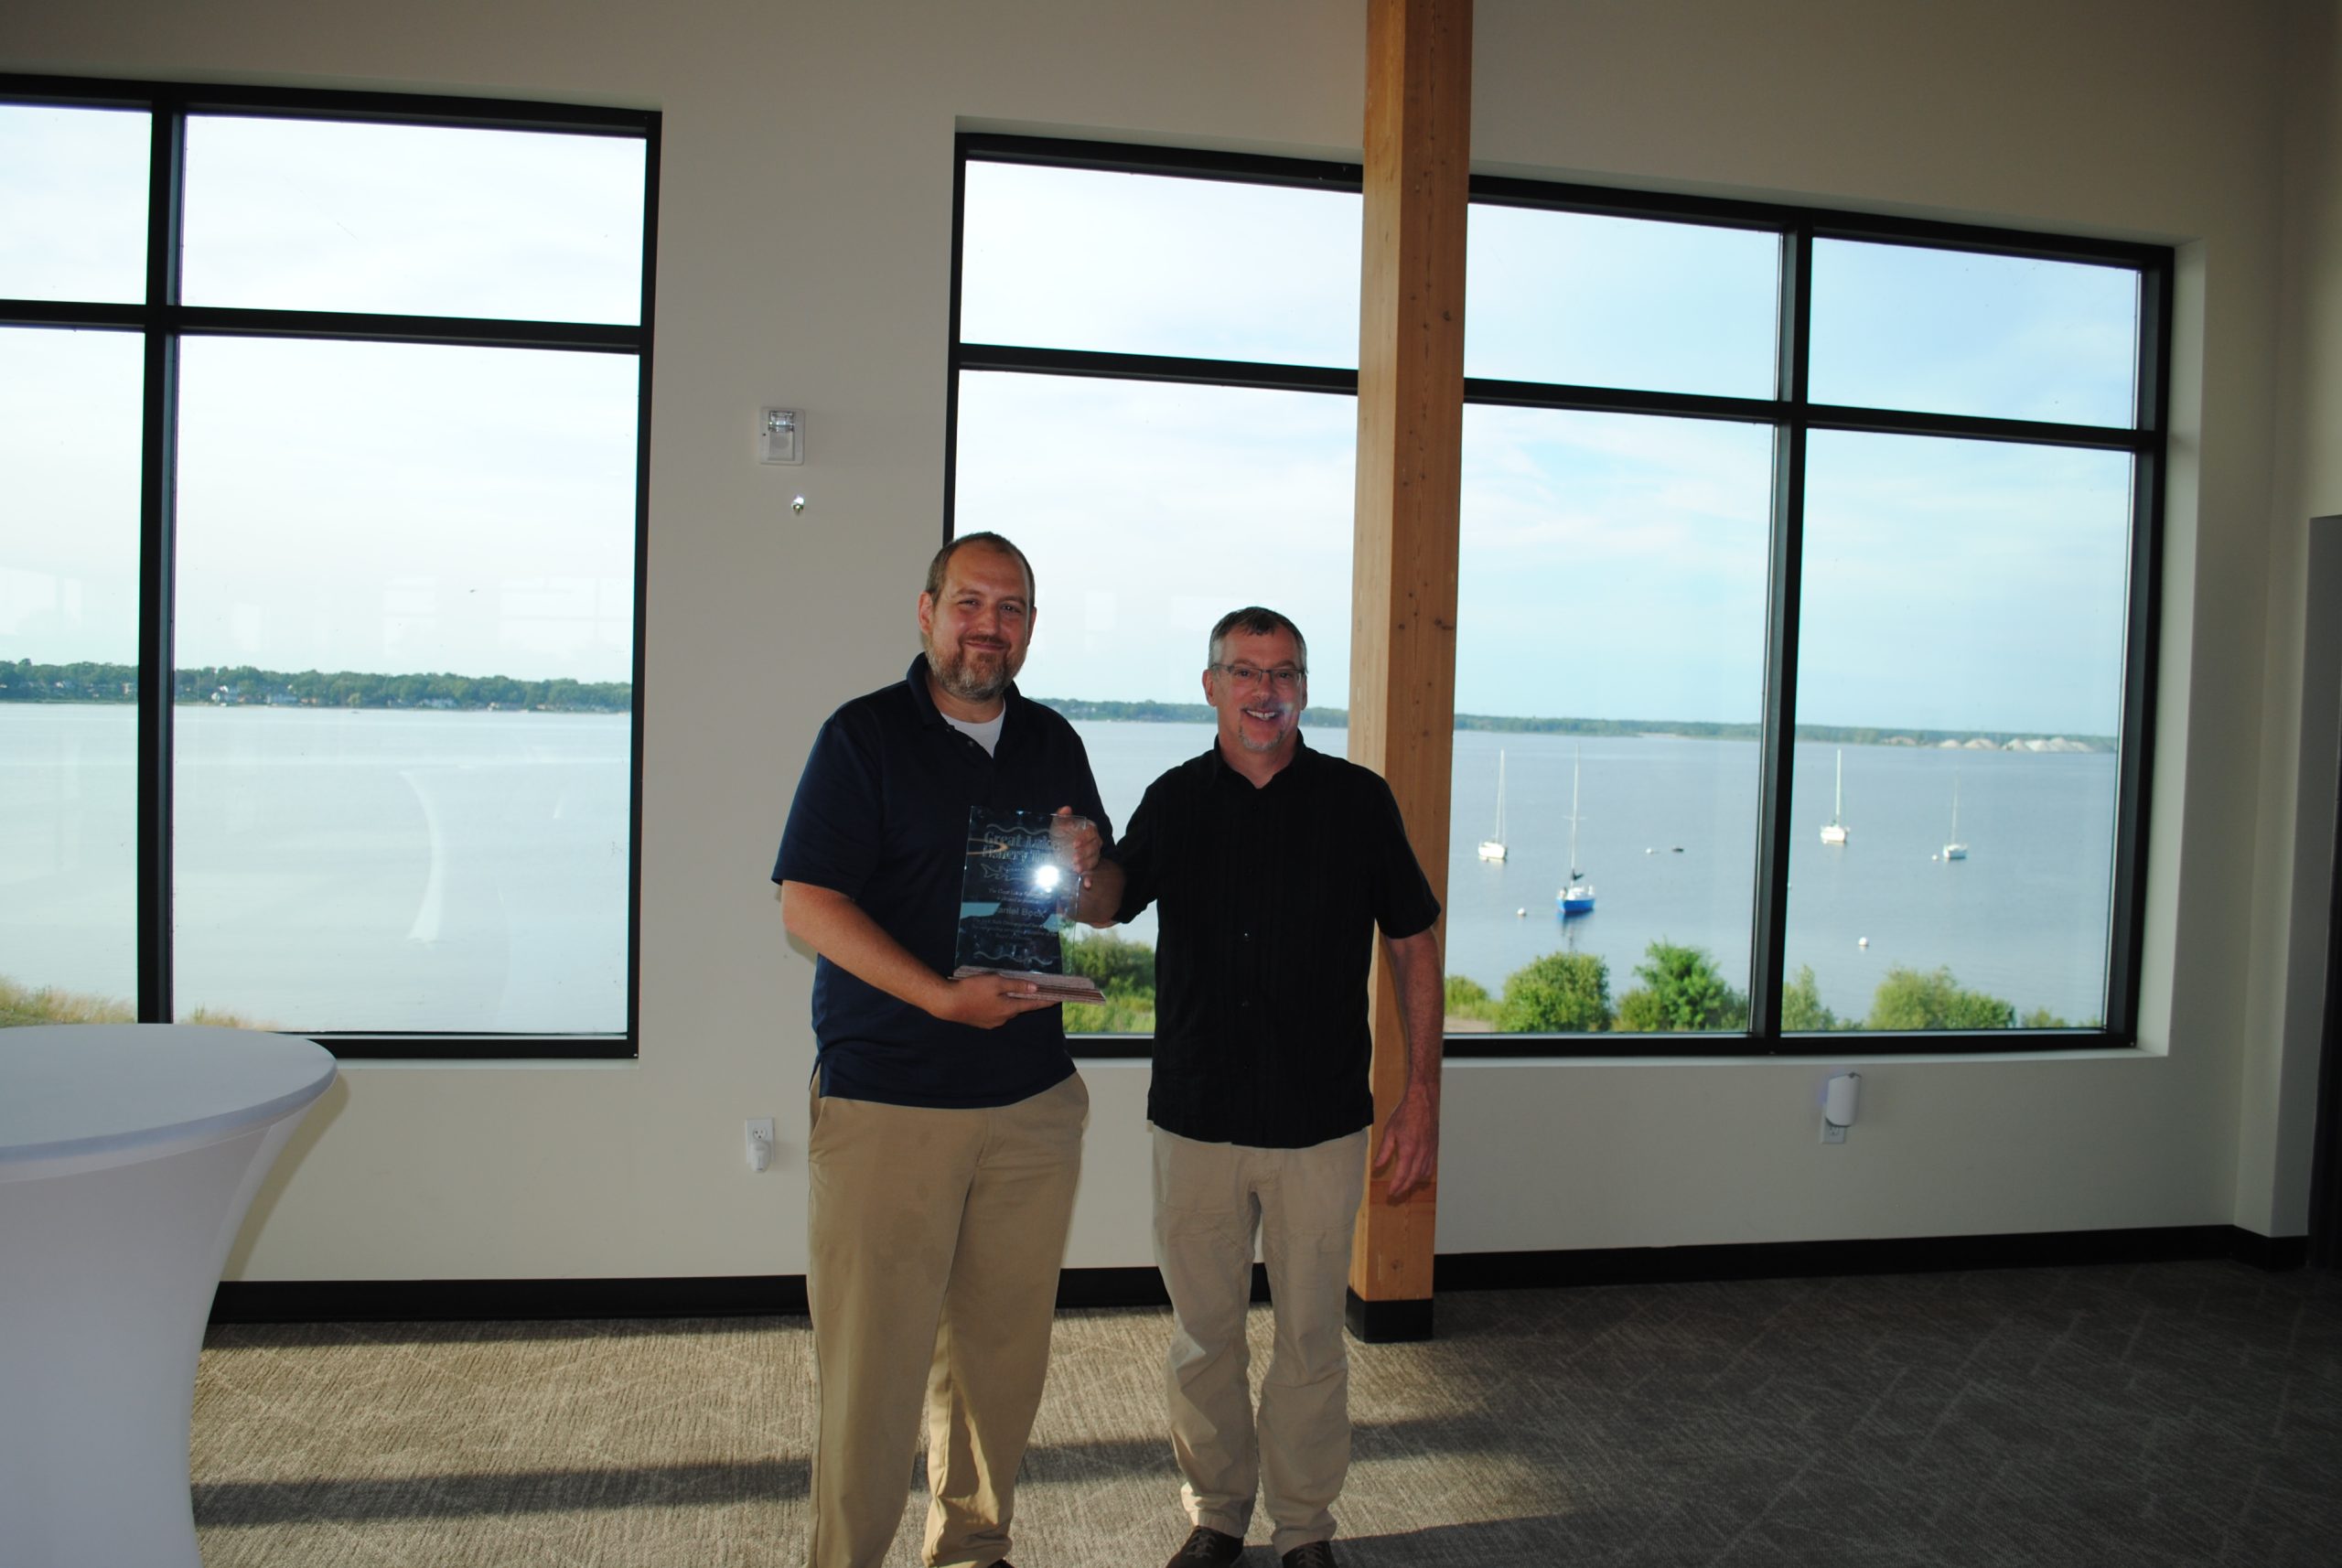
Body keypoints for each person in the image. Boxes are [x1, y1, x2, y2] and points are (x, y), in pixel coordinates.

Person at [774, 531, 1112, 1568]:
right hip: (892, 1101)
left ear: (1031, 628)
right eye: (969, 602)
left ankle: (972, 1546)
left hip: (1029, 1102)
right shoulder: (862, 736)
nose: (988, 626)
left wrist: (1092, 864)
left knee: (999, 1358)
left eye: (1010, 608)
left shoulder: (1053, 740)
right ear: (926, 613)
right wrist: (937, 997)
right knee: (873, 1370)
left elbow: (1099, 904)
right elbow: (808, 905)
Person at [1081, 607, 1444, 1568]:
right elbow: (1110, 902)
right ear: (1211, 686)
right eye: (1244, 671)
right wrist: (1077, 869)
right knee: (1204, 1341)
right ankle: (1217, 1513)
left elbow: (1412, 945)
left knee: (1311, 1342)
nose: (1264, 690)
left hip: (1319, 1122)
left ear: (1302, 691)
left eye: (1283, 672)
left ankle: (1304, 1528)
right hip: (1195, 1117)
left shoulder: (1358, 802)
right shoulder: (1174, 798)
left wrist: (1420, 1100)